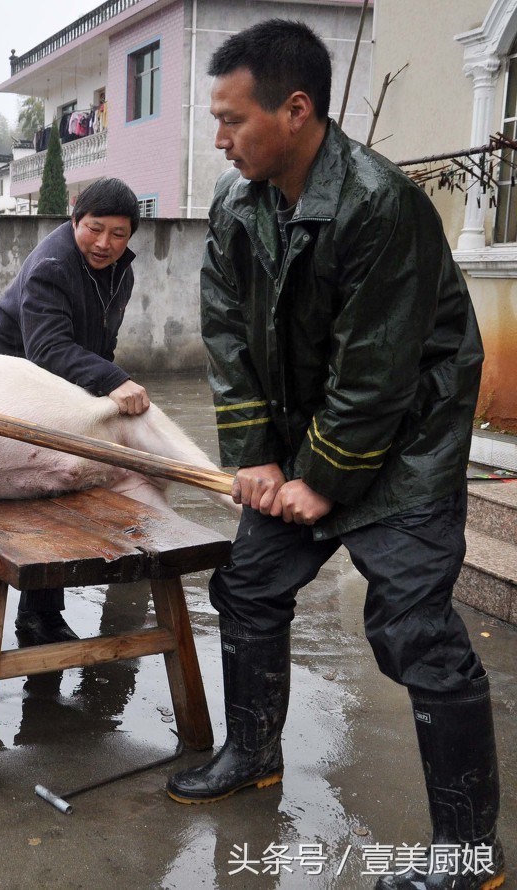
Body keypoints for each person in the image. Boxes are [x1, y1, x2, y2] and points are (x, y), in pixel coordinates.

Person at [165, 19, 503, 890]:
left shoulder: (380, 204)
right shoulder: (240, 207)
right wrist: (257, 459)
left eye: (233, 119)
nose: (220, 138)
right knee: (247, 587)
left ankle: (471, 858)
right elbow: (227, 334)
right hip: (303, 445)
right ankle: (253, 753)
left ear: (296, 109)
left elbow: (379, 370)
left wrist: (319, 480)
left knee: (417, 635)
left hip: (406, 450)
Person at [0, 177, 149, 646]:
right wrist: (112, 382)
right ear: (75, 218)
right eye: (94, 229)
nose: (104, 243)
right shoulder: (51, 266)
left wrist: (103, 389)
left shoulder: (121, 271)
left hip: (60, 389)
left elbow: (101, 344)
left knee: (67, 483)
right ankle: (22, 615)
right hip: (6, 386)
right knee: (36, 489)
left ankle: (41, 614)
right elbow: (48, 349)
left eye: (118, 234)